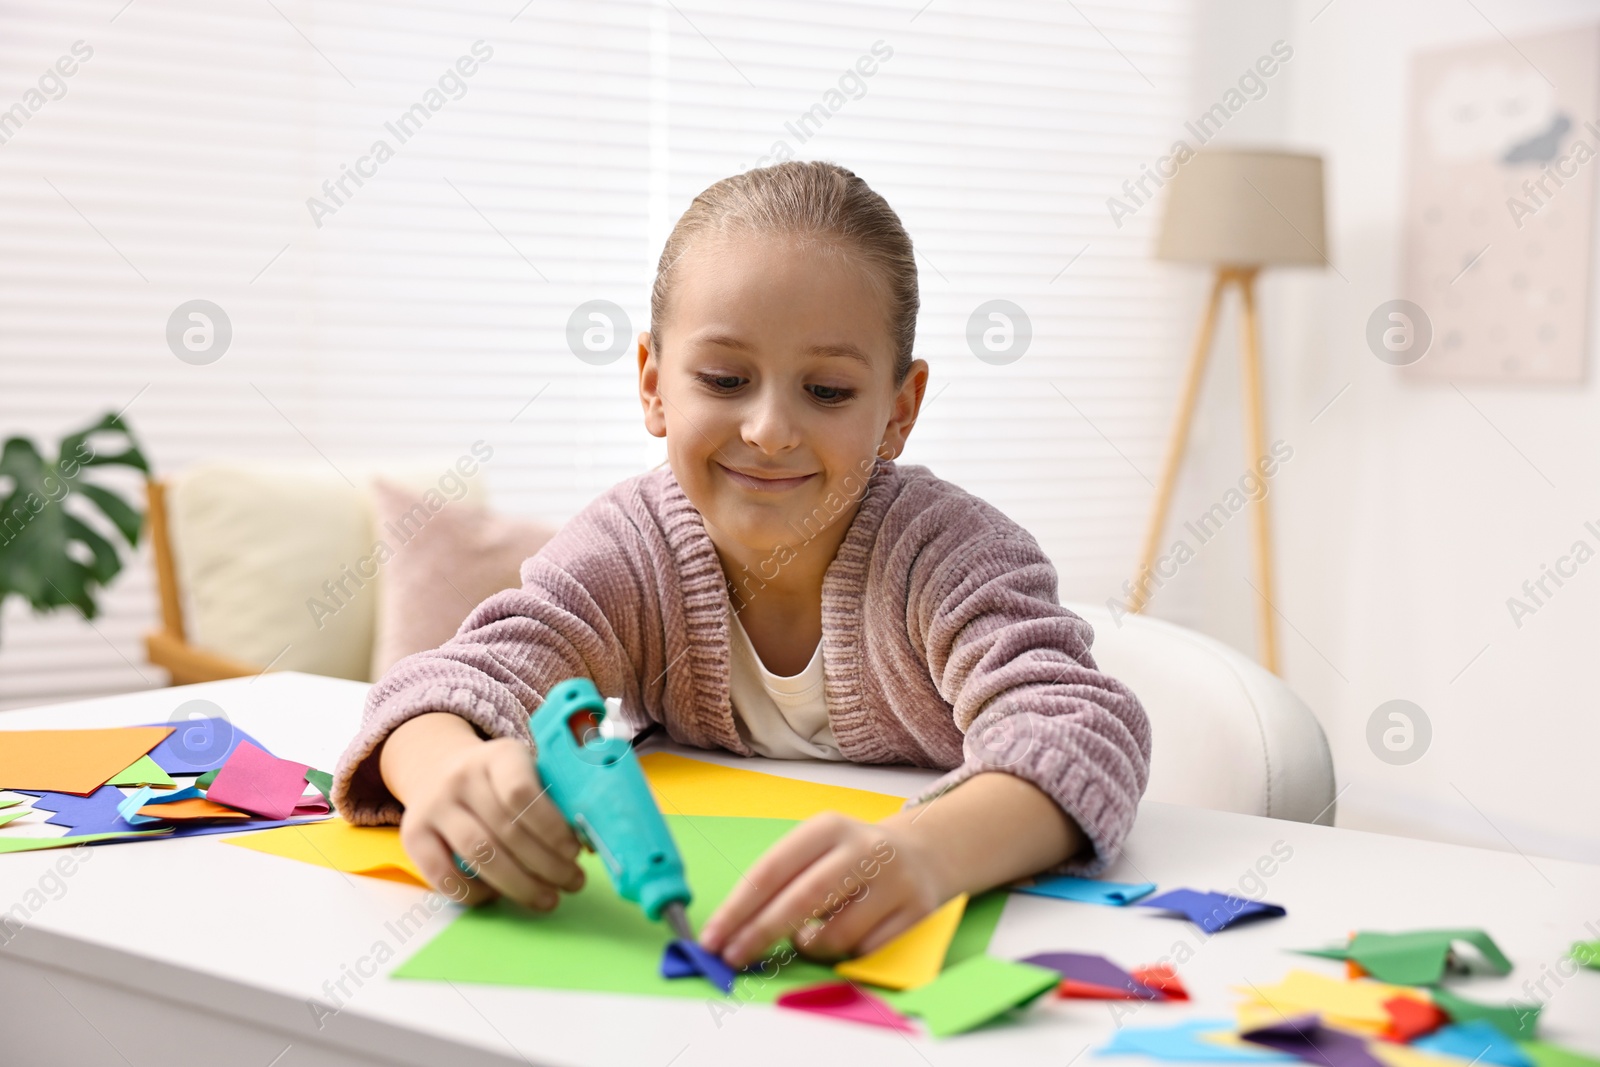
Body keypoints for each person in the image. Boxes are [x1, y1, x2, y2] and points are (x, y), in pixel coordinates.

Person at [332, 160, 1150, 971]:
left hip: (929, 958)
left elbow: (1079, 731)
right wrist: (446, 771)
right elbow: (448, 684)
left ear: (898, 411)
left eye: (827, 390)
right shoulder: (629, 548)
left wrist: (926, 853)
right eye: (725, 378)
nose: (768, 428)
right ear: (654, 384)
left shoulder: (947, 555)